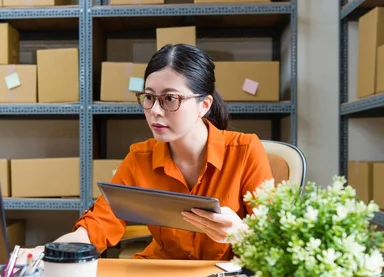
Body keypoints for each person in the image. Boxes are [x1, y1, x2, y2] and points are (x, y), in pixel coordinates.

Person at [20, 44, 273, 262]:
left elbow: (276, 240)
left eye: (170, 99)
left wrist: (242, 232)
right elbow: (99, 223)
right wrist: (49, 252)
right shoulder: (140, 158)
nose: (155, 111)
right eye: (149, 97)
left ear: (203, 105)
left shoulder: (246, 151)